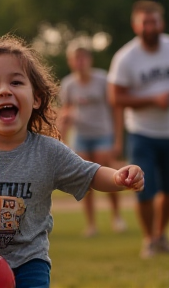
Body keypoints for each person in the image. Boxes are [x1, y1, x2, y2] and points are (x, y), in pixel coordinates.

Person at [0, 34, 144, 287]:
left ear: (37, 98)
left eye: (16, 82)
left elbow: (90, 174)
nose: (4, 90)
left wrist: (119, 177)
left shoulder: (49, 151)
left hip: (30, 263)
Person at [107, 1, 169, 259]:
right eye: (145, 22)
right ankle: (148, 239)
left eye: (154, 21)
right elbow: (115, 98)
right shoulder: (125, 57)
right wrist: (153, 100)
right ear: (136, 25)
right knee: (144, 188)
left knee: (167, 190)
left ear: (161, 22)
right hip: (142, 132)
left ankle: (159, 235)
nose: (150, 27)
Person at [58, 45, 127, 237]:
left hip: (103, 133)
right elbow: (66, 111)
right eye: (75, 59)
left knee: (111, 175)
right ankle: (91, 224)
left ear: (90, 60)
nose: (80, 63)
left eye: (83, 58)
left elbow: (115, 109)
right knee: (85, 178)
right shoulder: (69, 84)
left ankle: (117, 217)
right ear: (70, 62)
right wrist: (63, 139)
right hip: (81, 136)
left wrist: (118, 140)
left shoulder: (103, 80)